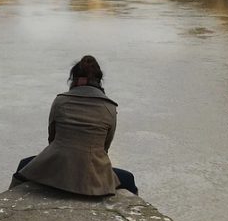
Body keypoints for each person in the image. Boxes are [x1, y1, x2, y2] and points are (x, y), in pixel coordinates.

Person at [13, 55, 138, 196]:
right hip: (91, 178)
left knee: (23, 166)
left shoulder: (60, 101)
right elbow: (105, 147)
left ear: (73, 79)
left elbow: (52, 139)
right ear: (99, 81)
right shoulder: (109, 108)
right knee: (129, 179)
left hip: (58, 169)